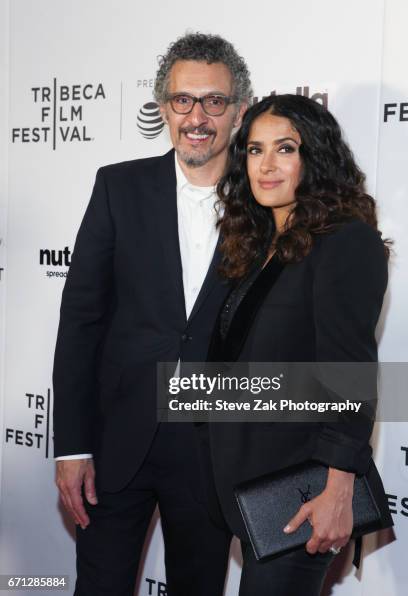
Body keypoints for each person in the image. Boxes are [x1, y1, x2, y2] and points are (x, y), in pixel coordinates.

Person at [52, 32, 251, 596]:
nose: (197, 117)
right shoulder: (119, 187)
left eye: (214, 101)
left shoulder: (264, 201)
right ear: (163, 106)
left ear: (237, 111)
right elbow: (80, 323)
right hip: (117, 443)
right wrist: (71, 446)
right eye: (183, 100)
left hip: (213, 453)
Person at [197, 94, 394, 595]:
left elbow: (349, 374)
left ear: (316, 157)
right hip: (241, 484)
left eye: (285, 149)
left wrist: (337, 489)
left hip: (301, 493)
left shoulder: (347, 241)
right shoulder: (256, 242)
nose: (266, 165)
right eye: (255, 150)